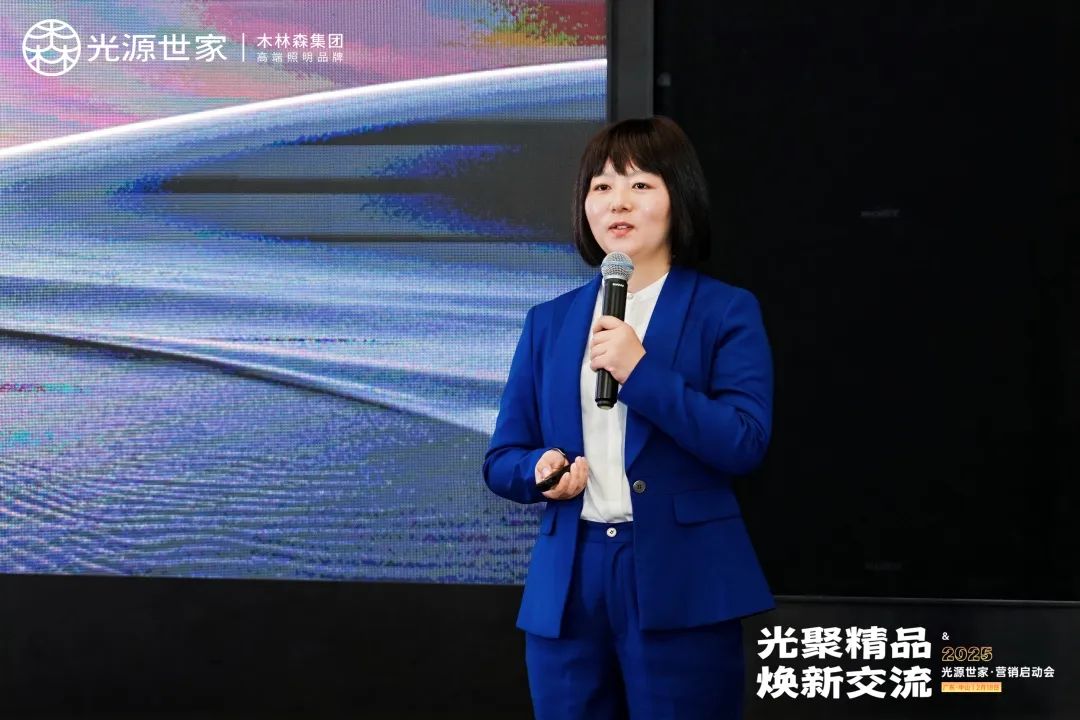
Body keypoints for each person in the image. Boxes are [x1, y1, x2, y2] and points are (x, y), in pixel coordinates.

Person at [483, 116, 774, 719]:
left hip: (683, 577)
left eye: (640, 184)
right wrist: (538, 469)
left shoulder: (725, 310)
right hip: (570, 579)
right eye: (601, 186)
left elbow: (743, 442)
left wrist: (640, 372)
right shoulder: (549, 321)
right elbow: (502, 458)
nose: (617, 202)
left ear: (678, 198)